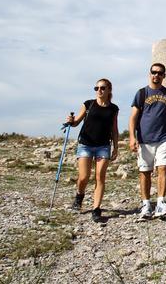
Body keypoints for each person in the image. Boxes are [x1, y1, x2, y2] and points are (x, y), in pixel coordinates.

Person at [129, 63, 166, 219]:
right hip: (144, 139)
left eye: (160, 73)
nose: (156, 75)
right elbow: (133, 117)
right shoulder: (141, 93)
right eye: (154, 72)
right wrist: (132, 137)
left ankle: (160, 203)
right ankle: (146, 205)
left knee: (163, 168)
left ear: (164, 76)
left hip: (164, 138)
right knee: (144, 172)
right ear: (150, 74)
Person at [66, 78, 119, 223]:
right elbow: (76, 122)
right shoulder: (88, 104)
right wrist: (71, 121)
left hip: (103, 146)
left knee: (100, 177)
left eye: (102, 88)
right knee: (84, 177)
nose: (99, 91)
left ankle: (96, 209)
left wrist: (116, 146)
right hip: (86, 144)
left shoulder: (114, 109)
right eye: (96, 88)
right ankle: (79, 196)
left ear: (109, 90)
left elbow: (114, 129)